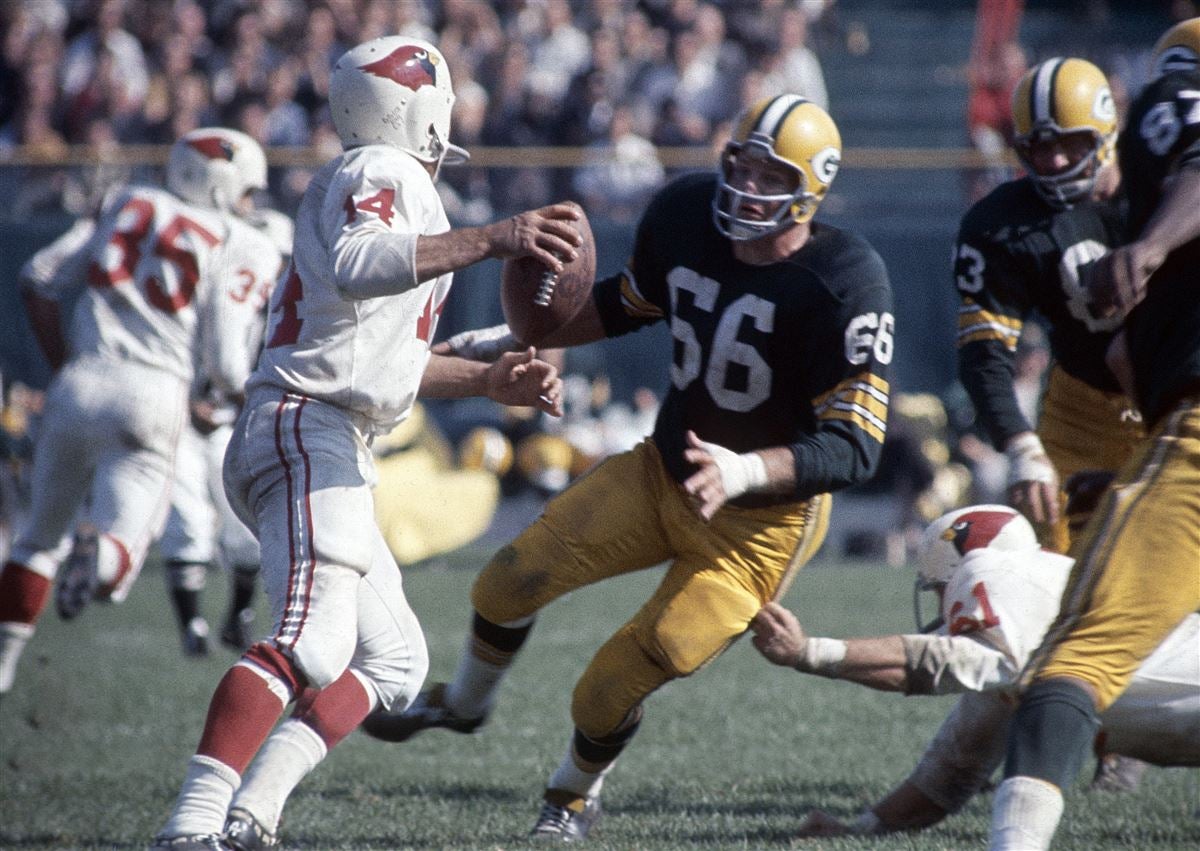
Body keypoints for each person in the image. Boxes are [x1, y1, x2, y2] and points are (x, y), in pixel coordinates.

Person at [361, 93, 896, 841]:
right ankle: (465, 703)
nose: (747, 187)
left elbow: (854, 447)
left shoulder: (845, 279)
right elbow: (627, 303)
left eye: (771, 177)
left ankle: (571, 796)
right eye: (740, 166)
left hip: (759, 527)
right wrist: (504, 336)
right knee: (508, 577)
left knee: (615, 679)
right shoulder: (686, 215)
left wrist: (742, 471)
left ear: (812, 190)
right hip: (663, 471)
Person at [151, 36, 581, 851]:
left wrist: (490, 381)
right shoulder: (382, 171)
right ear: (417, 106)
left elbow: (387, 361)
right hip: (309, 421)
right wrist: (497, 237)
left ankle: (251, 813)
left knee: (395, 664)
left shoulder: (388, 181)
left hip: (326, 424)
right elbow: (357, 259)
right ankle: (192, 823)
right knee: (314, 639)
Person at [988, 18, 1200, 850]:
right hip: (1135, 418)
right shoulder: (1013, 229)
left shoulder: (1173, 100)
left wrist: (1147, 245)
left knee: (1077, 651)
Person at [0, 127, 281, 697]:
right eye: (247, 191)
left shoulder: (131, 201)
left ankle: (4, 665)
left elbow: (40, 280)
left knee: (34, 542)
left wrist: (62, 367)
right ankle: (99, 555)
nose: (251, 204)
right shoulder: (239, 239)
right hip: (155, 391)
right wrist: (238, 397)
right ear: (224, 183)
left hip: (81, 376)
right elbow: (227, 361)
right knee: (123, 552)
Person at [749, 504, 1199, 838]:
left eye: (941, 588)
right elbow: (949, 777)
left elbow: (958, 661)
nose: (945, 602)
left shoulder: (994, 570)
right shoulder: (1026, 636)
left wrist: (811, 652)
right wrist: (858, 830)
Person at [953, 56, 1142, 555]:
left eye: (1072, 143)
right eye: (1040, 147)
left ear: (1106, 133)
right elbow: (985, 352)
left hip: (1181, 397)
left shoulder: (1164, 187)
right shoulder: (1002, 225)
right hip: (1081, 408)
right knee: (1055, 571)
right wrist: (1019, 444)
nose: (1056, 161)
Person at [160, 205, 294, 657]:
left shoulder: (279, 310)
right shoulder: (203, 295)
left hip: (228, 422)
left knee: (244, 530)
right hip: (177, 417)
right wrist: (184, 400)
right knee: (190, 522)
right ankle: (191, 629)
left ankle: (237, 618)